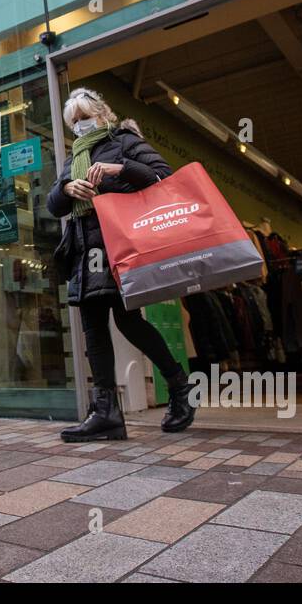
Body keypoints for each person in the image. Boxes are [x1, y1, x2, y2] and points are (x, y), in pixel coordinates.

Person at [46, 87, 196, 441]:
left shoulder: (123, 139)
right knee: (94, 327)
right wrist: (68, 189)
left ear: (102, 113)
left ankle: (175, 387)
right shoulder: (75, 155)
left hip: (118, 242)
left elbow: (162, 177)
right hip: (85, 248)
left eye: (85, 117)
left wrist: (119, 168)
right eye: (74, 121)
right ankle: (107, 411)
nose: (80, 126)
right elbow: (54, 204)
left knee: (127, 321)